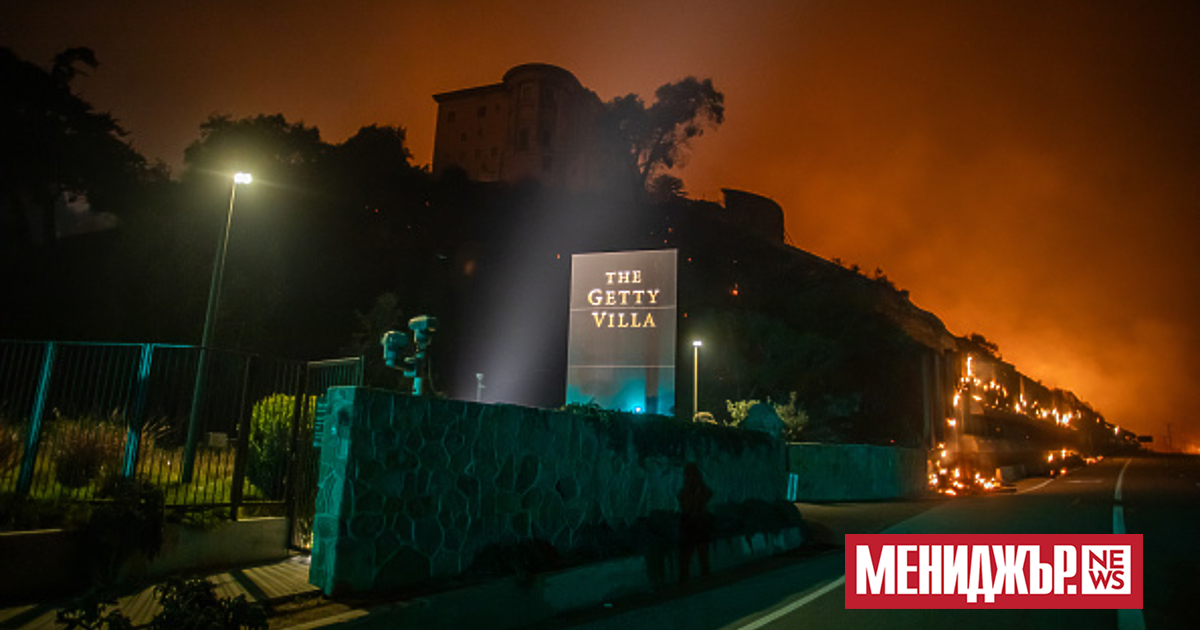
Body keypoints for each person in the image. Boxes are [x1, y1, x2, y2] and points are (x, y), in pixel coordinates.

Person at [678, 462, 713, 582]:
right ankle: (697, 573)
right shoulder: (688, 490)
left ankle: (688, 574)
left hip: (695, 524)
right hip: (693, 524)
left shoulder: (697, 489)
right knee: (694, 549)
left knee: (694, 549)